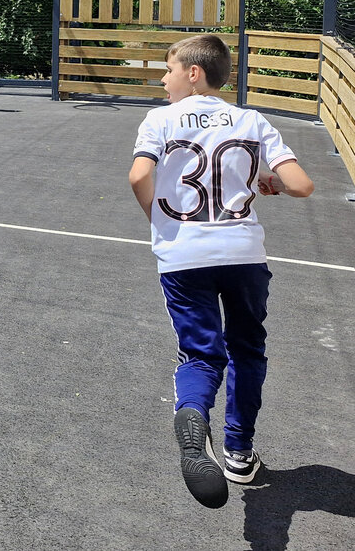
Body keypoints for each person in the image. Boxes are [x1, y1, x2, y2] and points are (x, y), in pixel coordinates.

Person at [128, 34, 313, 509]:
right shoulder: (251, 119)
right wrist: (270, 182)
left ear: (194, 73)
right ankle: (238, 449)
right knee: (248, 350)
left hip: (184, 255)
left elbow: (138, 175)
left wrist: (158, 219)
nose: (163, 79)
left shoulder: (159, 119)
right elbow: (302, 185)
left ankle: (192, 414)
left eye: (169, 70)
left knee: (199, 354)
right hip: (244, 253)